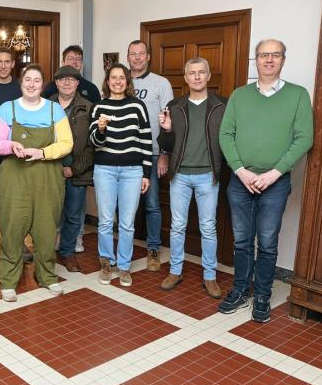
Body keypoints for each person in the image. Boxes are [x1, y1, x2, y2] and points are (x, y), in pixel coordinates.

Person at [218, 39, 313, 323]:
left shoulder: (298, 95)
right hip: (241, 181)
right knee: (242, 241)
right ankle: (240, 289)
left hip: (276, 182)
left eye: (275, 55)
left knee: (268, 243)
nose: (269, 60)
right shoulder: (240, 95)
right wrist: (240, 170)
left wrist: (274, 173)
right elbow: (225, 135)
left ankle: (262, 295)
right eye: (263, 55)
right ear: (256, 60)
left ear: (283, 59)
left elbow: (304, 138)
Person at [0, 64, 73, 302]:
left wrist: (42, 153)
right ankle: (8, 280)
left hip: (47, 177)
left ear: (42, 84)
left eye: (37, 80)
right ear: (21, 82)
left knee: (46, 229)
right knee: (12, 228)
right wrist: (11, 145)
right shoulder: (8, 109)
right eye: (28, 79)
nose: (32, 84)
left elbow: (67, 143)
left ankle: (47, 276)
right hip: (14, 178)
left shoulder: (55, 110)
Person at [157, 58, 227, 298]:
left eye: (201, 72)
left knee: (208, 227)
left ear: (208, 76)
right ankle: (175, 271)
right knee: (177, 226)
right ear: (186, 78)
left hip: (208, 175)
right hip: (180, 175)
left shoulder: (222, 105)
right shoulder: (174, 106)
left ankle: (210, 276)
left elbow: (230, 138)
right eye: (192, 73)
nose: (197, 77)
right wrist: (167, 130)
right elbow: (165, 143)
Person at [89, 63, 152, 287]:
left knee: (127, 223)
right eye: (113, 78)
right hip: (104, 170)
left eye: (121, 77)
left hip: (132, 172)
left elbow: (146, 140)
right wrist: (101, 129)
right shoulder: (98, 107)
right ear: (107, 82)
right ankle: (106, 263)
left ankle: (124, 266)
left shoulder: (138, 106)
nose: (117, 81)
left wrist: (146, 173)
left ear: (127, 81)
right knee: (106, 221)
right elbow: (94, 143)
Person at [127, 40, 174, 271]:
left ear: (148, 57)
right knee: (124, 205)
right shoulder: (120, 80)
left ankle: (153, 248)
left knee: (152, 204)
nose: (137, 58)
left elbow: (168, 121)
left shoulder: (160, 83)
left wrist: (164, 153)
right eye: (133, 54)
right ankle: (123, 247)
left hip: (152, 153)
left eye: (141, 54)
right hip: (125, 154)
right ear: (128, 57)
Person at [0, 47, 32, 263]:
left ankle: (18, 243)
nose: (3, 66)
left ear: (13, 64)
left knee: (14, 202)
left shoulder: (21, 87)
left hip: (14, 151)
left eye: (7, 62)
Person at [50, 65, 94, 272]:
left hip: (77, 173)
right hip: (50, 171)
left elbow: (92, 146)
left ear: (77, 83)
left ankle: (67, 252)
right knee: (49, 214)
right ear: (56, 82)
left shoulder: (88, 108)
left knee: (73, 216)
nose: (67, 83)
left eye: (71, 79)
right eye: (62, 79)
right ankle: (46, 253)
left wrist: (74, 169)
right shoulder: (45, 105)